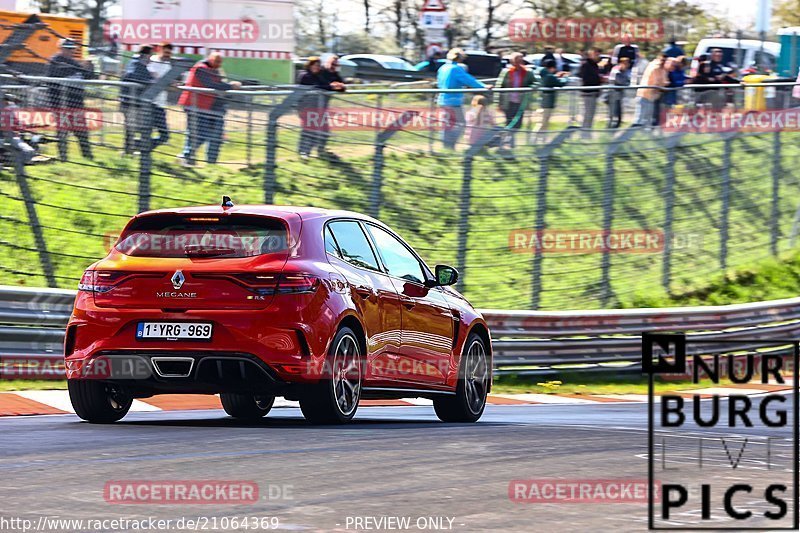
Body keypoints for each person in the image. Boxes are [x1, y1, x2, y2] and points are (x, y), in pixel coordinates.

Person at [177, 52, 241, 166]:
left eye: (220, 62)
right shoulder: (201, 69)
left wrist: (229, 85)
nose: (219, 64)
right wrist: (230, 86)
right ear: (210, 59)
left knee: (198, 133)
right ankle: (186, 156)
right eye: (217, 62)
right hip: (194, 105)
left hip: (204, 106)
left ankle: (190, 157)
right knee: (200, 133)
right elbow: (211, 85)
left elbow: (218, 84)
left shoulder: (211, 70)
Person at [46, 38, 94, 161]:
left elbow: (88, 76)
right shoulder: (55, 60)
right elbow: (59, 74)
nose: (70, 51)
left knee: (81, 130)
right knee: (62, 131)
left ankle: (87, 156)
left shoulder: (74, 62)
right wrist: (80, 69)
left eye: (72, 49)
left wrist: (90, 66)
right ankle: (63, 157)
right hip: (60, 102)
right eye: (68, 49)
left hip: (76, 102)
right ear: (61, 48)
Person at [436, 48, 489, 149]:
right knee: (461, 123)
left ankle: (446, 146)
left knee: (446, 124)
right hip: (453, 101)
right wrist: (483, 87)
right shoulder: (456, 69)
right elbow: (468, 80)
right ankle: (450, 144)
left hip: (442, 99)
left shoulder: (442, 68)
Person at [296, 56, 345, 159]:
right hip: (306, 107)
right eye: (315, 65)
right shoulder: (305, 75)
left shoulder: (319, 75)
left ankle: (320, 150)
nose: (317, 67)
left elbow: (328, 85)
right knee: (308, 130)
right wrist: (331, 87)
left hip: (320, 107)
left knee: (324, 130)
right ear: (310, 65)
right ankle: (304, 152)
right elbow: (316, 86)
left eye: (318, 65)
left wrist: (339, 86)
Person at [120, 45, 154, 155]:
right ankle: (130, 150)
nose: (151, 58)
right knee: (133, 127)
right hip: (131, 102)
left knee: (132, 128)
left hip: (130, 101)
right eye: (150, 55)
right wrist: (151, 79)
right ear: (146, 55)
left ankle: (129, 149)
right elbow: (138, 77)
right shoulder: (136, 65)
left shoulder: (134, 63)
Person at [496, 52, 535, 147]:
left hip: (520, 102)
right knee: (509, 122)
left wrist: (533, 86)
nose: (518, 63)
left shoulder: (527, 72)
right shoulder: (507, 72)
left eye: (520, 60)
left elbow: (536, 82)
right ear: (512, 62)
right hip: (508, 102)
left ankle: (504, 139)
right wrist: (498, 102)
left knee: (518, 124)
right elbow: (499, 87)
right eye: (516, 61)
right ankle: (510, 144)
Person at [146, 42, 173, 151]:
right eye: (166, 52)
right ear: (160, 49)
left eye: (169, 53)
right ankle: (139, 150)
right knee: (147, 132)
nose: (168, 55)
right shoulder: (151, 61)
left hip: (161, 104)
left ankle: (139, 147)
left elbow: (166, 82)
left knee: (164, 136)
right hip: (150, 103)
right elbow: (153, 77)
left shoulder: (168, 65)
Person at [633, 55, 668, 127]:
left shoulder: (660, 68)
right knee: (640, 117)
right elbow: (656, 82)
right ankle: (631, 133)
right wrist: (663, 84)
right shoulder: (655, 67)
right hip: (647, 93)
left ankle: (645, 132)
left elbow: (664, 81)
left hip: (651, 94)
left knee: (648, 116)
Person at [537, 58, 569, 133]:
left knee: (543, 123)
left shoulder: (545, 74)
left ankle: (539, 139)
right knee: (544, 123)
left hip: (543, 101)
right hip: (548, 103)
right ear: (552, 67)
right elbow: (560, 83)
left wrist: (556, 76)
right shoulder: (549, 77)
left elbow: (553, 79)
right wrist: (566, 77)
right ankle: (536, 139)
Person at [578, 48, 602, 137]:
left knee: (591, 115)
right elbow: (587, 78)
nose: (597, 56)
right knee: (587, 115)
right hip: (588, 93)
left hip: (594, 93)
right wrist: (598, 80)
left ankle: (587, 133)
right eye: (596, 54)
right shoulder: (586, 65)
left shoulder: (594, 65)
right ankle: (584, 134)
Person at [606, 57, 631, 128]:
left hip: (619, 94)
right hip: (613, 93)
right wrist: (626, 82)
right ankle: (610, 127)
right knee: (613, 111)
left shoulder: (624, 71)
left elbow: (627, 81)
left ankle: (616, 125)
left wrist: (626, 82)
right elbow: (621, 81)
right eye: (625, 64)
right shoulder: (616, 71)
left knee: (618, 110)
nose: (627, 66)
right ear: (621, 63)